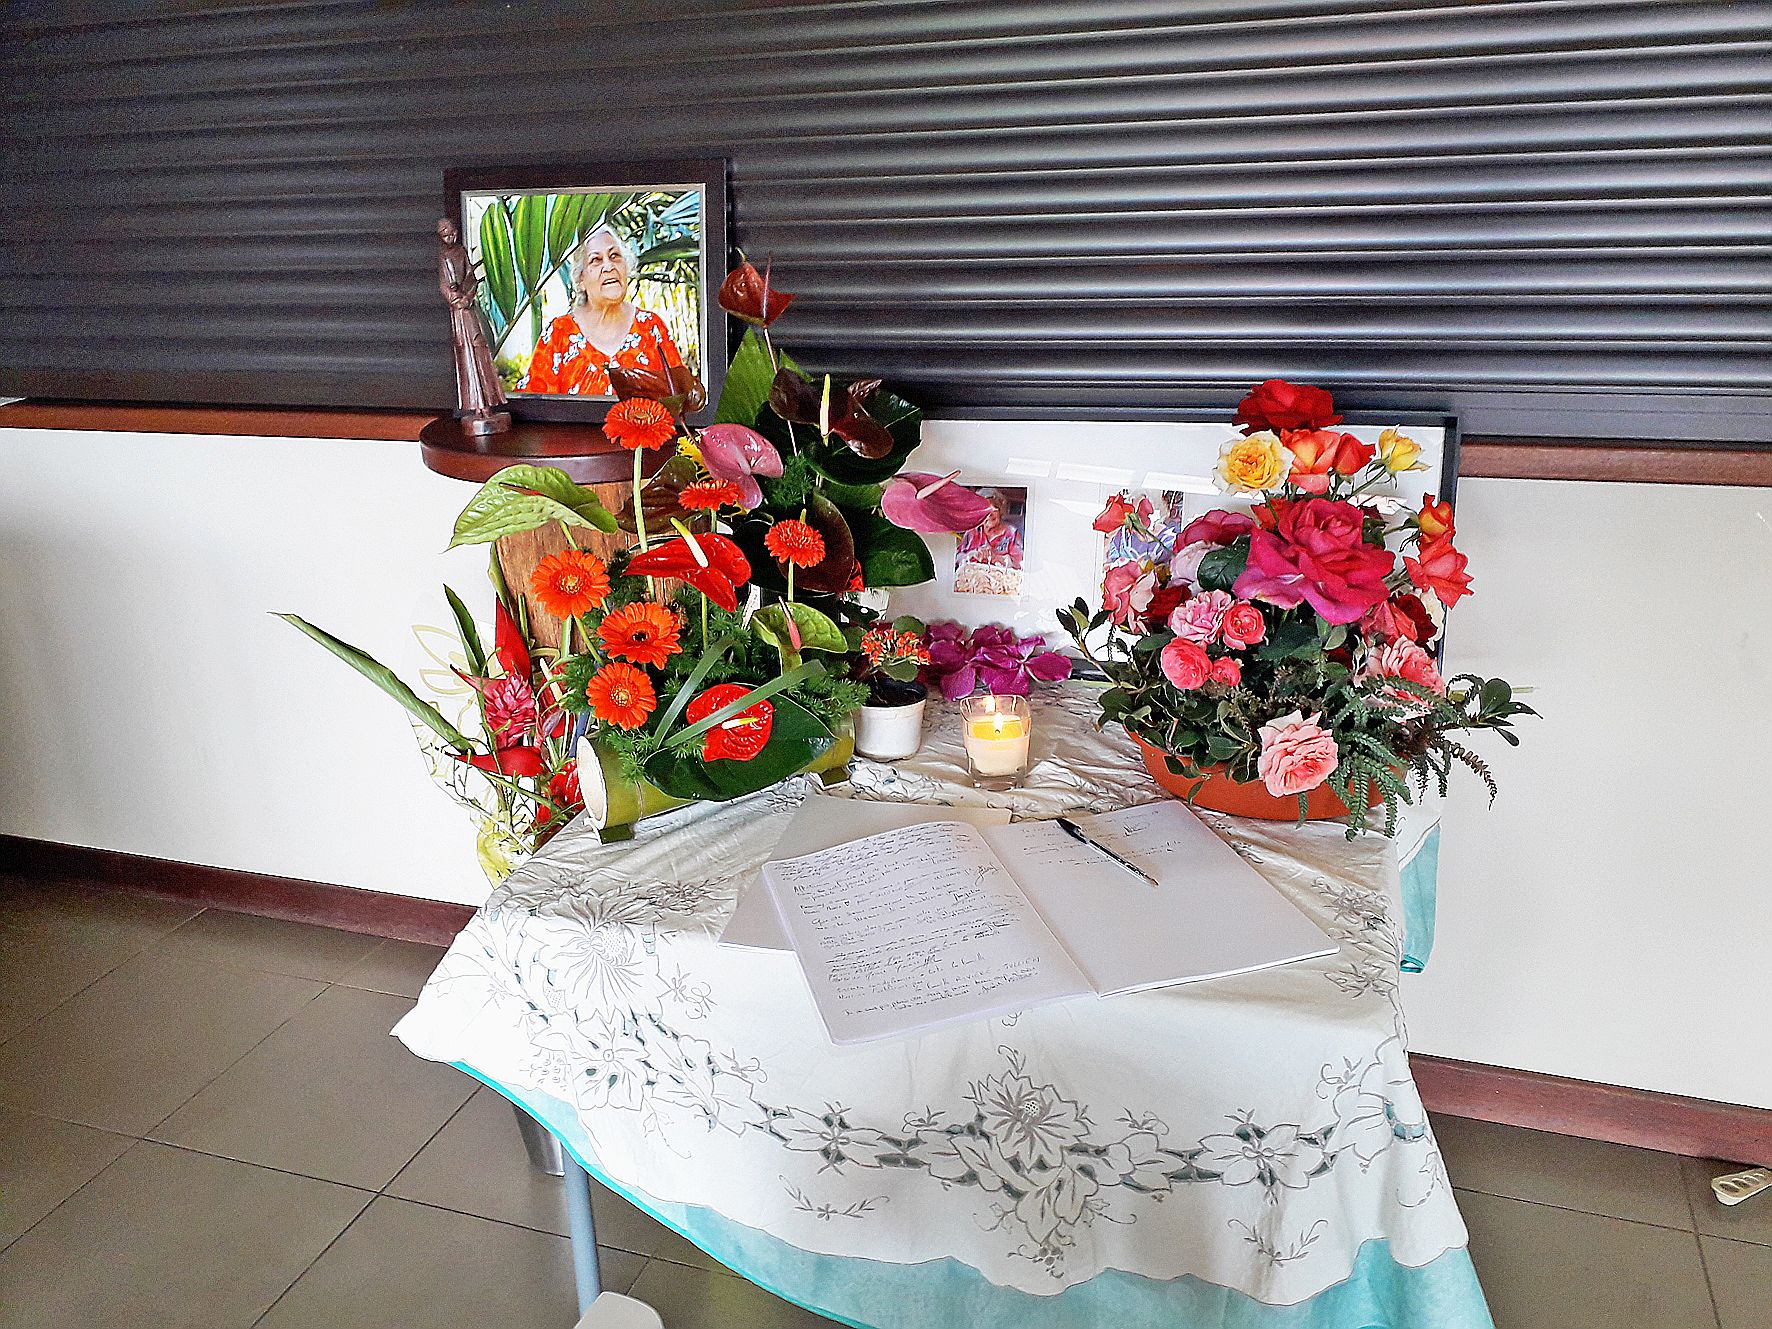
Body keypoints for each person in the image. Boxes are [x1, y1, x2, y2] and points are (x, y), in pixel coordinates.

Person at [518, 224, 685, 396]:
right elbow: (532, 404)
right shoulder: (560, 333)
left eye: (615, 256)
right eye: (596, 260)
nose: (609, 266)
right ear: (580, 280)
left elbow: (682, 397)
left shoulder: (651, 327)